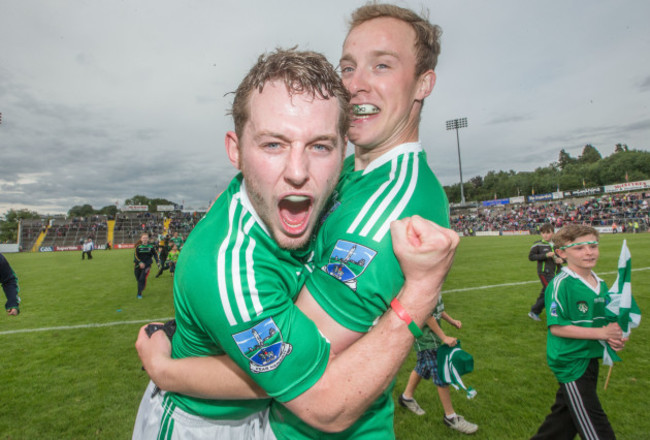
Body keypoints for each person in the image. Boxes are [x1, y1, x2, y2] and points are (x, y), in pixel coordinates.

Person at [137, 3, 451, 438]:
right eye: (348, 67)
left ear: (424, 82)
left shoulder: (387, 206)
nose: (356, 85)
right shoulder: (351, 174)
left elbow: (315, 385)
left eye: (382, 65)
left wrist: (168, 371)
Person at [531, 224, 626, 439]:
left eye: (593, 245)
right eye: (579, 248)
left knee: (561, 424)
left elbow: (605, 322)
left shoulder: (599, 284)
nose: (589, 252)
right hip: (571, 362)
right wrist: (603, 334)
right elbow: (557, 327)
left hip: (589, 357)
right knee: (596, 427)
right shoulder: (560, 284)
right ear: (562, 253)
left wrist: (614, 338)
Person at [398, 295, 478, 434]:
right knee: (441, 374)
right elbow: (427, 315)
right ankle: (450, 417)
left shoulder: (435, 286)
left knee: (422, 367)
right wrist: (444, 337)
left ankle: (406, 397)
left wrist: (452, 321)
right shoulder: (426, 287)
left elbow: (438, 311)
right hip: (425, 338)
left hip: (430, 337)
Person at [528, 223, 563, 321]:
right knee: (552, 291)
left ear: (553, 233)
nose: (545, 235)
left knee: (546, 292)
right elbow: (531, 257)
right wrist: (545, 255)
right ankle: (554, 313)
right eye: (543, 233)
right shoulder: (538, 244)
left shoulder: (557, 244)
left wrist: (562, 260)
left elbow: (565, 256)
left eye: (548, 233)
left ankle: (534, 311)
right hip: (544, 273)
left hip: (557, 273)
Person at [133, 233, 158, 299]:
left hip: (147, 265)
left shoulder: (151, 247)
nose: (145, 239)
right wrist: (140, 262)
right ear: (141, 239)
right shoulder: (138, 247)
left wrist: (157, 261)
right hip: (137, 265)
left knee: (141, 279)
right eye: (143, 238)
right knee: (138, 279)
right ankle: (142, 284)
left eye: (146, 238)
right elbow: (135, 256)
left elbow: (155, 254)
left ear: (148, 239)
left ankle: (139, 293)